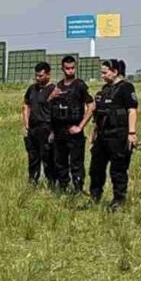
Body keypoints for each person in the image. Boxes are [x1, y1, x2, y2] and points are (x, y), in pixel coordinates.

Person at [89, 59, 139, 211]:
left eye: (105, 72)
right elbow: (98, 116)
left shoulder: (126, 88)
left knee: (118, 170)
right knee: (96, 169)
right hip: (102, 136)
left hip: (119, 135)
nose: (102, 75)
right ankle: (94, 197)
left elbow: (132, 110)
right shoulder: (104, 90)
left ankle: (118, 200)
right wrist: (93, 136)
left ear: (115, 72)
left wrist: (132, 133)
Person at [49, 55, 95, 193]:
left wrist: (80, 126)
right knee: (60, 162)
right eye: (67, 68)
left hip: (74, 131)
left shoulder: (79, 85)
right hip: (59, 131)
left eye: (72, 68)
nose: (70, 71)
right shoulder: (58, 86)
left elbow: (91, 106)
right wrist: (52, 96)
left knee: (76, 163)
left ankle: (78, 190)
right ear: (62, 68)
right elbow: (49, 106)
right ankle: (63, 188)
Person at [22, 62, 56, 186]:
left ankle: (52, 183)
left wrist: (54, 131)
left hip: (46, 129)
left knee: (47, 158)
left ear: (48, 74)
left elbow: (56, 112)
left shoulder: (54, 90)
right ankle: (33, 181)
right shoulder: (32, 89)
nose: (38, 78)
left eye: (41, 76)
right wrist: (26, 123)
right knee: (32, 157)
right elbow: (26, 105)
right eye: (36, 75)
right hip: (33, 129)